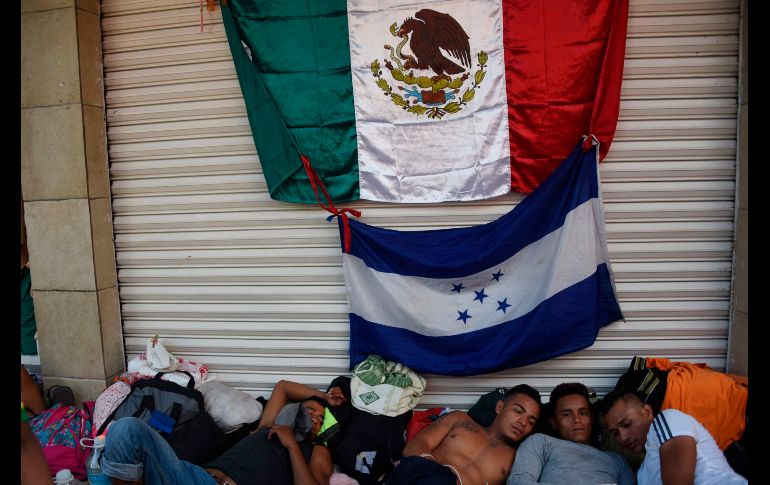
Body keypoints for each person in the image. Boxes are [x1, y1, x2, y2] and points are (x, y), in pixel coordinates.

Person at [102, 379, 348, 485]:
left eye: (320, 420)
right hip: (195, 476)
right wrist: (322, 395)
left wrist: (292, 446)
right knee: (126, 429)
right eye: (312, 410)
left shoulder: (315, 451)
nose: (315, 418)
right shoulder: (266, 426)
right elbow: (283, 387)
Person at [388, 384, 542, 485]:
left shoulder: (518, 457)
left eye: (531, 421)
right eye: (518, 411)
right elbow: (414, 446)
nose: (523, 422)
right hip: (425, 476)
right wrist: (438, 473)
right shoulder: (460, 419)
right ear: (500, 407)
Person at [601, 388, 747, 485]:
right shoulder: (642, 475)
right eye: (615, 433)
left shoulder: (667, 420)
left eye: (627, 424)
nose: (623, 437)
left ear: (647, 412)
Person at [507, 382, 633, 485]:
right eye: (566, 414)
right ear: (554, 422)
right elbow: (518, 481)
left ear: (592, 418)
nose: (577, 419)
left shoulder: (617, 461)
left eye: (583, 413)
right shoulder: (541, 443)